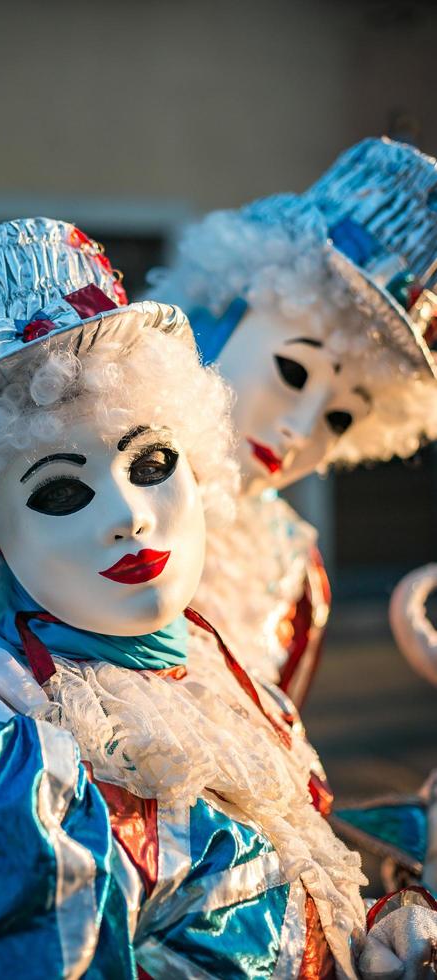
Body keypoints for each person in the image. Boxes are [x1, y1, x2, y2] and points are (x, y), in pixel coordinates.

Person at [0, 219, 437, 978]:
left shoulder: (245, 657)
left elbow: (275, 863)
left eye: (153, 463)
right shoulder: (1, 772)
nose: (129, 515)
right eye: (63, 490)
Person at [148, 137, 437, 704]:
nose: (302, 432)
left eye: (340, 417)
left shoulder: (290, 575)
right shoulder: (24, 469)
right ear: (218, 306)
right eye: (293, 371)